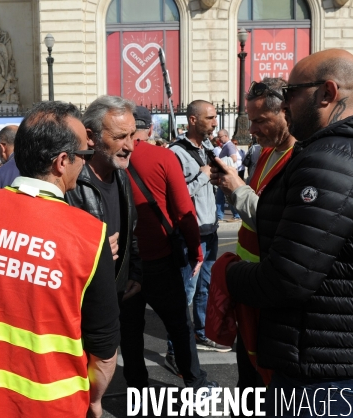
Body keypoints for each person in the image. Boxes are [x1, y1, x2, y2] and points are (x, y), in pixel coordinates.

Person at [225, 49, 353, 417]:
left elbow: (287, 278)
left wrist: (229, 274)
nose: (285, 103)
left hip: (321, 367)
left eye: (293, 92)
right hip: (346, 354)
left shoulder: (332, 159)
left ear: (327, 93)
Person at [0, 101, 120, 418]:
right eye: (85, 156)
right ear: (62, 162)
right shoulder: (90, 238)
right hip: (55, 408)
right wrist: (94, 400)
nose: (87, 163)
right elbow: (104, 353)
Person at [210, 77, 296, 414]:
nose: (253, 130)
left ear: (286, 112)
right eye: (250, 120)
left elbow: (277, 222)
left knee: (266, 384)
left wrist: (238, 189)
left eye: (261, 120)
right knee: (247, 382)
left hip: (268, 291)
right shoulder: (267, 153)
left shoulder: (299, 159)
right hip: (248, 287)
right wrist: (235, 188)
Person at [125, 110, 220, 399]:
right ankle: (195, 381)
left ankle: (137, 388)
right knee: (180, 324)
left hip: (124, 262)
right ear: (150, 127)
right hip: (159, 258)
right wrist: (195, 251)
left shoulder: (107, 160)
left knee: (129, 331)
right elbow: (184, 211)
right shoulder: (163, 157)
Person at [168, 100, 231, 353]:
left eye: (215, 118)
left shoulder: (206, 147)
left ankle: (202, 333)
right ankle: (176, 348)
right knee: (186, 292)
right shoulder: (175, 152)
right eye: (210, 118)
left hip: (210, 229)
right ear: (193, 120)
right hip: (190, 234)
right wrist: (203, 176)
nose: (215, 123)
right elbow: (176, 194)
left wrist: (215, 178)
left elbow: (205, 183)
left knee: (206, 286)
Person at [66, 95, 142, 303]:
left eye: (132, 135)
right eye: (119, 137)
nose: (130, 146)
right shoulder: (69, 182)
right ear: (91, 137)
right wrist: (90, 253)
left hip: (121, 296)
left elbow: (131, 231)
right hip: (84, 301)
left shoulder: (121, 176)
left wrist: (135, 273)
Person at [215, 130, 240, 222]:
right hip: (225, 175)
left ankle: (235, 215)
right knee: (222, 196)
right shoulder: (226, 146)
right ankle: (221, 216)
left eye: (220, 136)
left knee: (225, 196)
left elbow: (234, 158)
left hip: (227, 175)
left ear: (226, 136)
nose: (219, 138)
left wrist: (220, 163)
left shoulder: (229, 146)